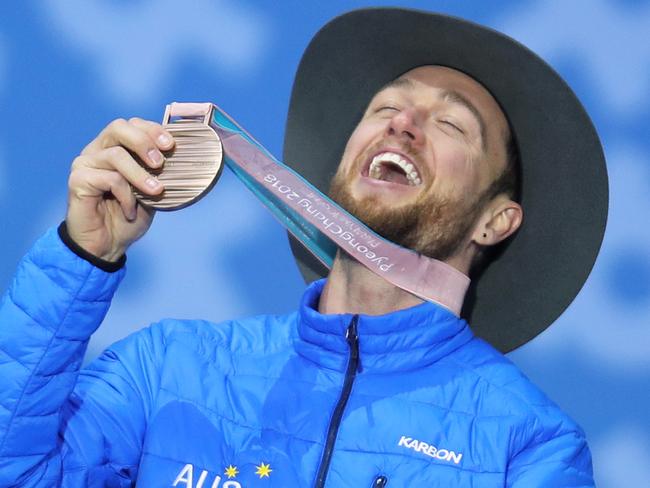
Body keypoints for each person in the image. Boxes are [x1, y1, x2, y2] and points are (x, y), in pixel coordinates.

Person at [0, 8, 607, 487]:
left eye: (450, 124)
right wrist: (81, 256)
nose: (401, 124)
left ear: (496, 222)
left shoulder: (525, 445)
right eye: (386, 107)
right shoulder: (168, 370)